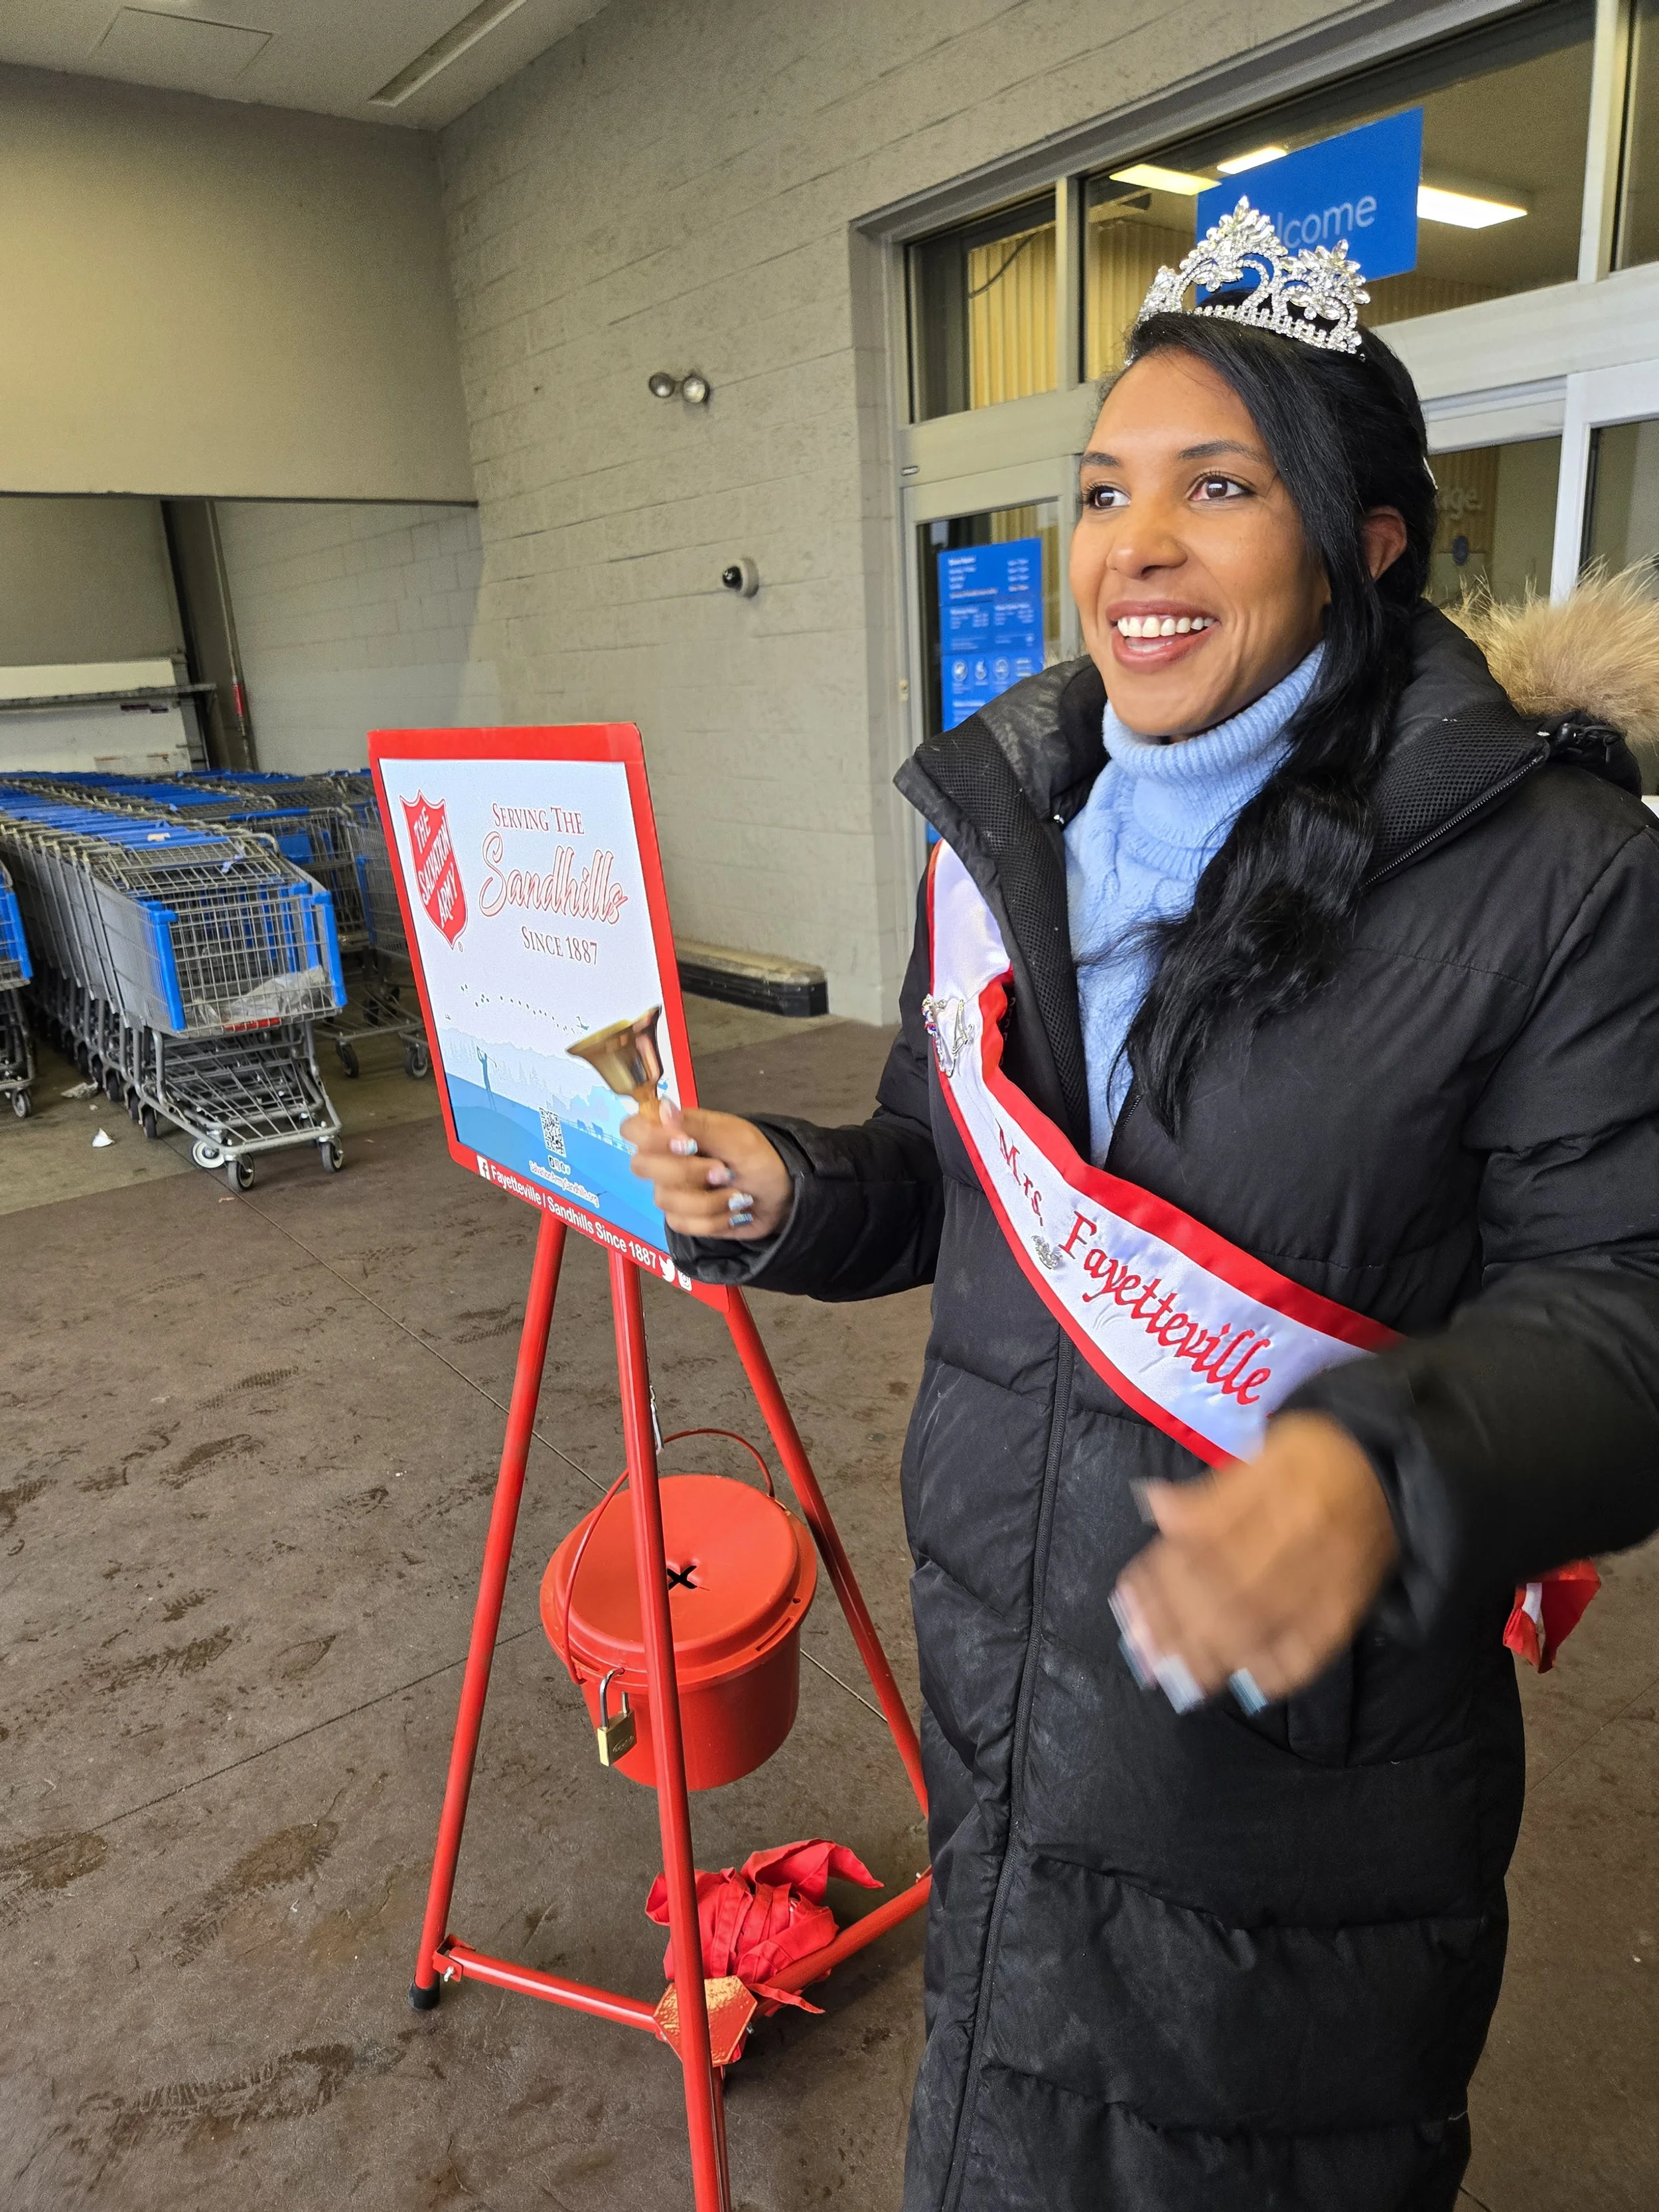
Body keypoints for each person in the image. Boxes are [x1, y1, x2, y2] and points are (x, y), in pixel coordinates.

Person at [626, 198, 1659, 2211]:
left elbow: (1621, 1307)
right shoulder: (1023, 825)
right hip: (1005, 1660)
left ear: (1362, 545)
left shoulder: (1558, 875)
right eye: (1103, 492)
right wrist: (792, 1188)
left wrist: (1388, 1465)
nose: (1134, 548)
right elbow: (948, 1165)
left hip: (1292, 1769)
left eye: (1217, 486)